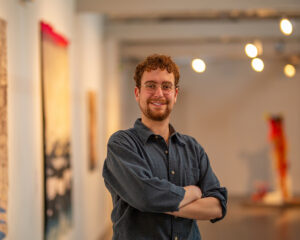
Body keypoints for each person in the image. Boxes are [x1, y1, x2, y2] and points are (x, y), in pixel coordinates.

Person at [102, 54, 227, 240]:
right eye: (151, 85)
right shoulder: (122, 144)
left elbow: (217, 207)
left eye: (166, 86)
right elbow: (145, 196)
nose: (159, 93)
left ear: (175, 94)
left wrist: (158, 202)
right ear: (137, 93)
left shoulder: (192, 148)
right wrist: (192, 192)